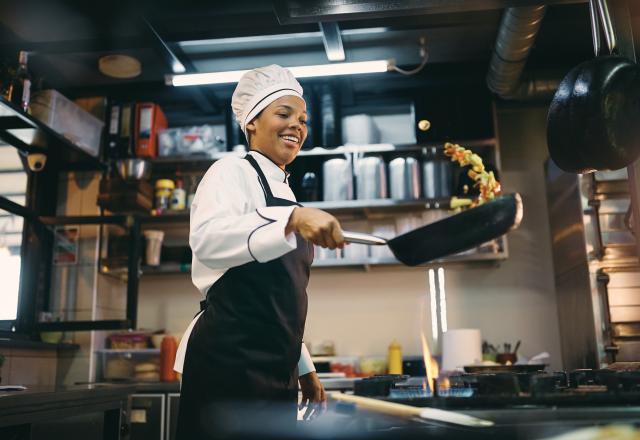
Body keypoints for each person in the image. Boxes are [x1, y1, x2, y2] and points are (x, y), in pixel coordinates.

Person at [174, 64, 345, 439]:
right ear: (251, 122)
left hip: (276, 368)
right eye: (283, 114)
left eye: (303, 119)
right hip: (228, 363)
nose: (297, 126)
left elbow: (278, 301)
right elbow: (207, 240)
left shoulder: (287, 195)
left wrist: (304, 368)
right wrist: (291, 221)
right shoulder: (230, 171)